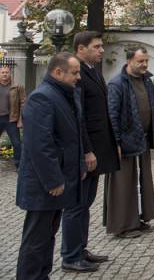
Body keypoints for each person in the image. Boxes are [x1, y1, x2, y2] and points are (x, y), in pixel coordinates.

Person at [16, 53, 85, 280]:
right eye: (74, 73)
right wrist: (53, 180)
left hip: (57, 181)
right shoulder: (42, 98)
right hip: (43, 185)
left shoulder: (63, 94)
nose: (78, 77)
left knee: (47, 236)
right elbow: (40, 145)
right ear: (58, 72)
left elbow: (71, 137)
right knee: (36, 240)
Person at [61, 31, 120, 272]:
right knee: (76, 204)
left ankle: (80, 249)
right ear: (81, 48)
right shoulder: (77, 74)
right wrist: (87, 150)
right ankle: (70, 256)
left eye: (101, 46)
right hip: (86, 151)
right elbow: (79, 116)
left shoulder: (93, 71)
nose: (101, 50)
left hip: (99, 147)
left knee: (86, 202)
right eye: (96, 46)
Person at [105, 46, 154, 238]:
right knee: (123, 183)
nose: (144, 64)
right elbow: (112, 115)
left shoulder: (147, 81)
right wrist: (116, 142)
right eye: (140, 61)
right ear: (129, 61)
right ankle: (123, 225)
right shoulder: (117, 83)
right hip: (125, 140)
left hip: (142, 137)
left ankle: (140, 218)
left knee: (144, 180)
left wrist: (153, 133)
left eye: (146, 61)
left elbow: (152, 107)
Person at [0, 62, 25, 170]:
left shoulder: (17, 87)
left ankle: (19, 165)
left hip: (11, 119)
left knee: (16, 143)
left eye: (6, 72)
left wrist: (20, 120)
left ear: (10, 73)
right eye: (2, 72)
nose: (4, 74)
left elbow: (23, 103)